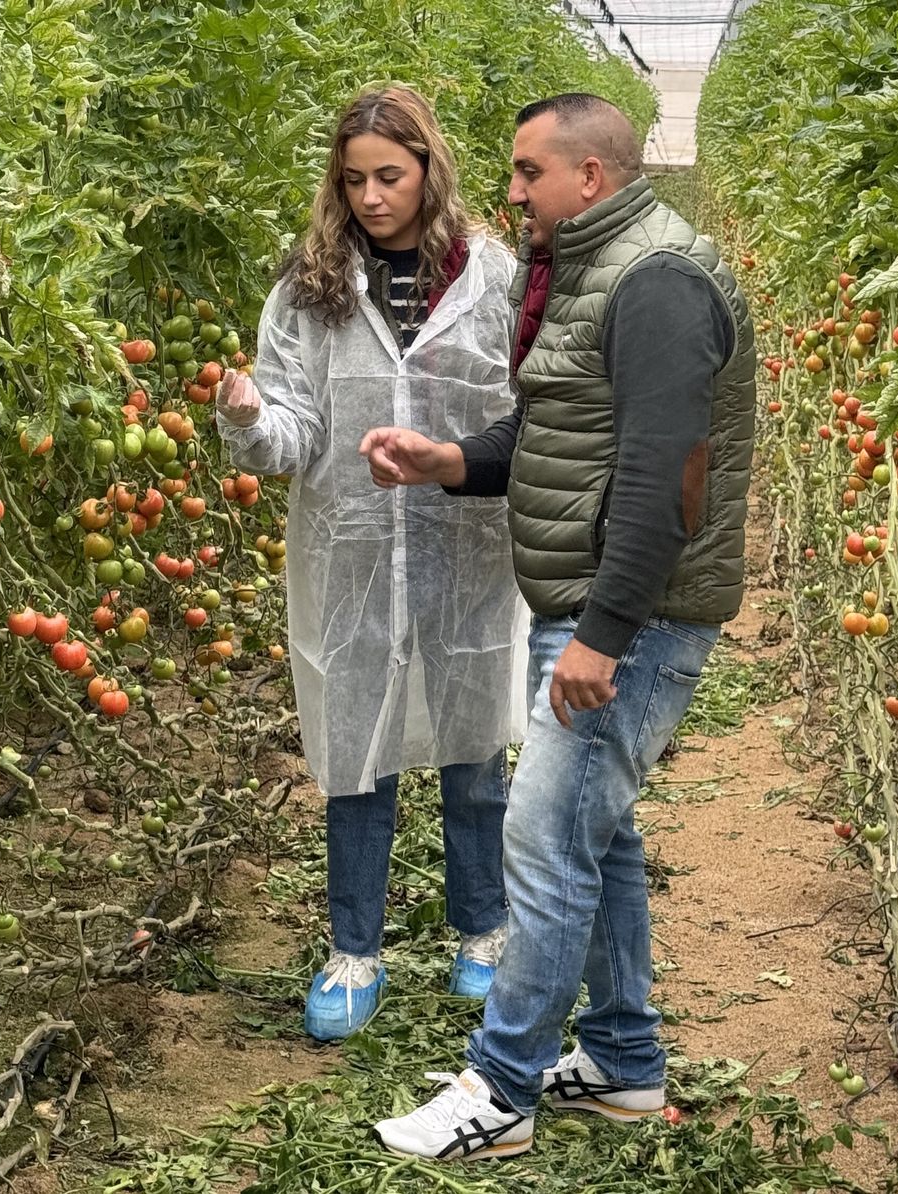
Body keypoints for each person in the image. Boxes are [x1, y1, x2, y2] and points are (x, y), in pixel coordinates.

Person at [358, 93, 755, 1159]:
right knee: (596, 833)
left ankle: (501, 1089)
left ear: (592, 175)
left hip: (627, 615)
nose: (512, 191)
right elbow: (557, 425)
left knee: (541, 839)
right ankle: (624, 1064)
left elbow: (664, 473)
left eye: (529, 171)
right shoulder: (593, 268)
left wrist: (604, 635)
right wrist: (453, 463)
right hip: (582, 601)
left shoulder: (659, 280)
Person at [213, 85, 526, 1042]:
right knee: (357, 756)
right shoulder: (310, 291)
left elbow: (523, 405)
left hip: (466, 544)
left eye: (389, 176)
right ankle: (355, 950)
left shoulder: (493, 279)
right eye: (353, 181)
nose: (371, 198)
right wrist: (248, 418)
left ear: (431, 167)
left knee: (474, 748)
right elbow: (299, 434)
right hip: (349, 553)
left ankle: (484, 931)